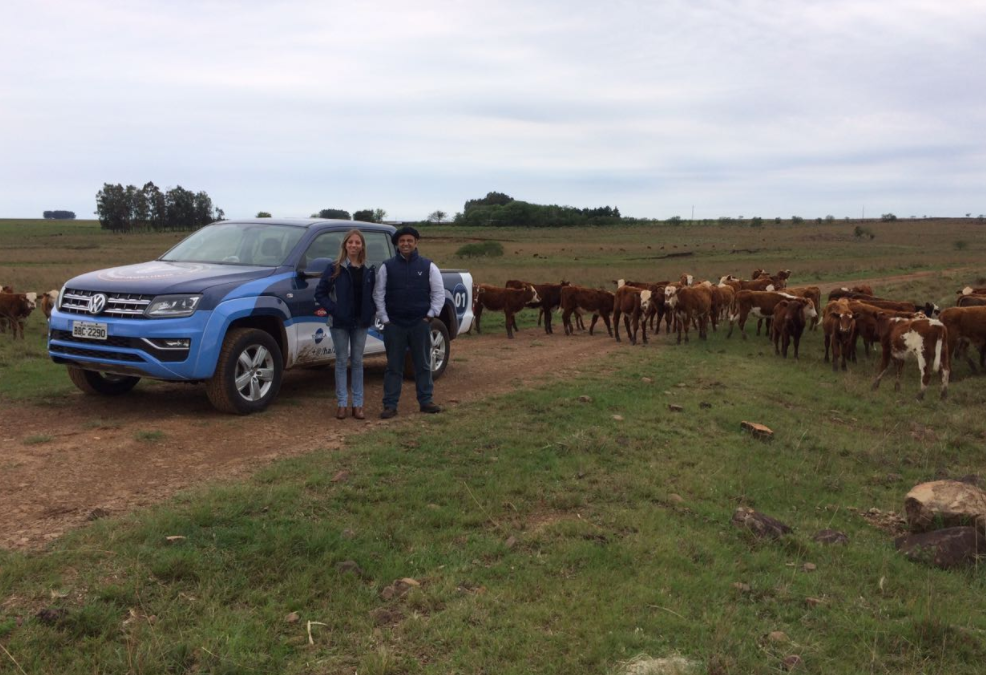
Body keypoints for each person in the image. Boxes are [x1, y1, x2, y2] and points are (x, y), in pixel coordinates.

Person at [373, 225, 444, 419]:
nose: (406, 244)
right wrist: (385, 319)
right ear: (397, 243)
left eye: (409, 241)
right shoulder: (387, 267)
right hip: (394, 324)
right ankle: (390, 405)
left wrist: (429, 316)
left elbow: (438, 293)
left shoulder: (428, 266)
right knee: (394, 367)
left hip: (419, 323)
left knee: (422, 363)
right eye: (402, 241)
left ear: (416, 243)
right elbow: (378, 294)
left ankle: (426, 401)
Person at [314, 229, 376, 420]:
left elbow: (375, 294)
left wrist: (370, 312)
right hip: (339, 322)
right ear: (345, 245)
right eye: (350, 242)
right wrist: (334, 309)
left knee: (357, 362)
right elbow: (320, 293)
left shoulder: (369, 269)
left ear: (362, 246)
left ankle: (358, 405)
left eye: (357, 243)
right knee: (341, 362)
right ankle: (342, 404)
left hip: (361, 322)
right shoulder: (334, 268)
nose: (354, 246)